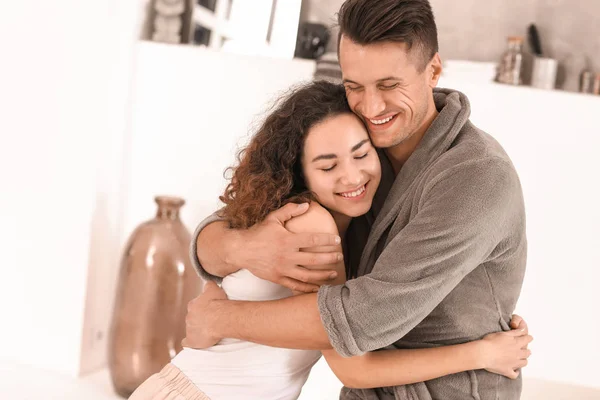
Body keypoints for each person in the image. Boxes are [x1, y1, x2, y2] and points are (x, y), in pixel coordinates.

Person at [184, 0, 529, 399]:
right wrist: (245, 247)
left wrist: (222, 318)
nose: (371, 107)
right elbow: (225, 226)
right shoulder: (360, 148)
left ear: (433, 70)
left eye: (388, 85)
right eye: (354, 87)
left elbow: (363, 319)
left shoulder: (476, 177)